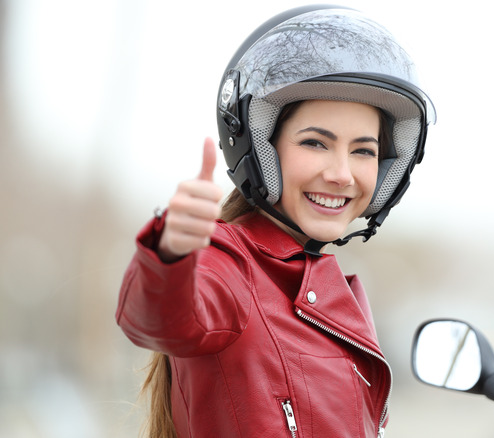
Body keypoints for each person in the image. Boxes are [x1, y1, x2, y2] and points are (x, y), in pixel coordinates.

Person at [115, 4, 435, 438]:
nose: (342, 172)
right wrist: (170, 253)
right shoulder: (228, 266)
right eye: (316, 143)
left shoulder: (340, 297)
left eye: (363, 150)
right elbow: (155, 317)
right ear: (263, 148)